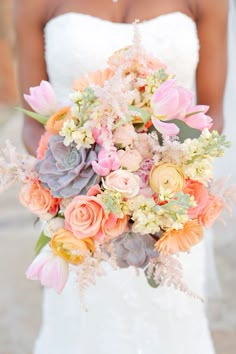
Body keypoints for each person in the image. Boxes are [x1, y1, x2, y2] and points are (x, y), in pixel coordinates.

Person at [14, 0, 228, 353]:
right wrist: (80, 193)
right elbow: (32, 124)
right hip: (78, 221)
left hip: (171, 212)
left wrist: (158, 191)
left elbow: (212, 115)